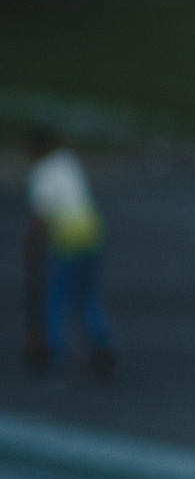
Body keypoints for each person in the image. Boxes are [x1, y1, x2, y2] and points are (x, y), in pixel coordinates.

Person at [24, 127, 115, 382]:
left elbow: (41, 215)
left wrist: (32, 245)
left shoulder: (41, 173)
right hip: (92, 230)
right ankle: (102, 342)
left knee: (57, 295)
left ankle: (53, 349)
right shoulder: (67, 161)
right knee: (87, 294)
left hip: (67, 237)